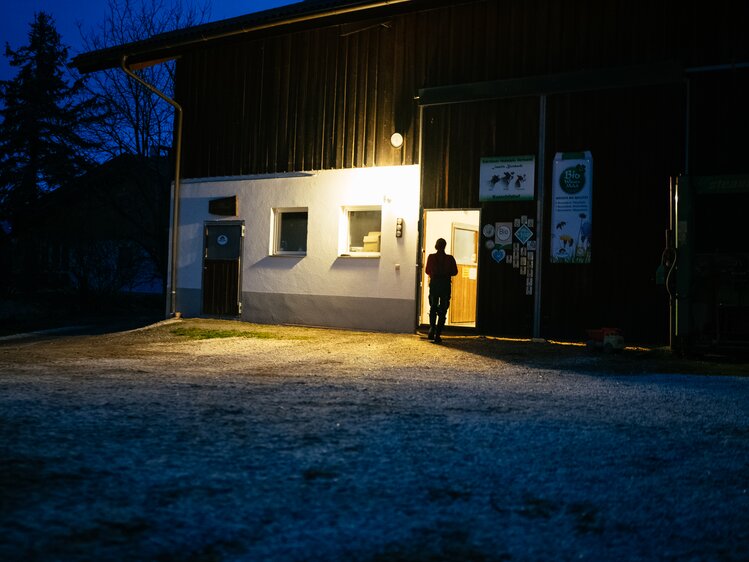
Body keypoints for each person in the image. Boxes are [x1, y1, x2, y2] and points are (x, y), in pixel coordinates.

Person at [425, 237, 458, 343]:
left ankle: (431, 329)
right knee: (443, 309)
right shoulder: (450, 258)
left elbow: (427, 270)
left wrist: (434, 273)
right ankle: (438, 334)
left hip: (434, 284)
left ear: (436, 246)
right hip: (445, 285)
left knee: (433, 307)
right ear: (445, 246)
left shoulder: (431, 257)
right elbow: (455, 272)